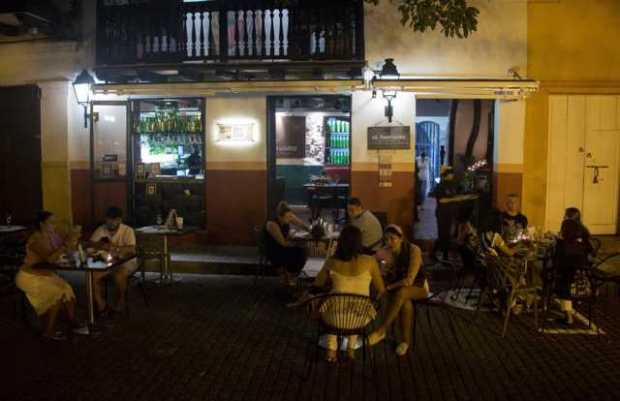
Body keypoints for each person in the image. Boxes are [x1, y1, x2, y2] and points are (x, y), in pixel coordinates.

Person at [312, 225, 385, 362]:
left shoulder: (331, 262)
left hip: (334, 319)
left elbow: (316, 285)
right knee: (357, 306)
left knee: (331, 305)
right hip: (360, 319)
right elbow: (381, 290)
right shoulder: (370, 261)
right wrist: (373, 303)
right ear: (359, 242)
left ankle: (331, 351)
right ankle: (351, 349)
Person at [15, 211, 88, 340]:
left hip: (45, 274)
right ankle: (48, 331)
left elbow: (62, 252)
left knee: (67, 289)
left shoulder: (49, 236)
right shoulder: (35, 239)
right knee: (58, 293)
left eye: (55, 222)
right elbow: (49, 259)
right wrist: (65, 244)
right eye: (51, 223)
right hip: (29, 276)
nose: (54, 225)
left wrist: (72, 240)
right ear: (42, 224)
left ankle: (72, 322)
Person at [368, 224, 429, 356]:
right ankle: (405, 342)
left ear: (401, 238)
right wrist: (380, 269)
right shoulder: (386, 251)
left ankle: (382, 330)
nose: (389, 242)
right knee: (405, 302)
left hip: (419, 287)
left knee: (402, 293)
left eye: (392, 238)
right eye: (386, 239)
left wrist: (388, 287)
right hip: (399, 289)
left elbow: (409, 280)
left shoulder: (414, 250)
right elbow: (371, 262)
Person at [90, 207, 137, 316]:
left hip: (126, 262)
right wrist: (101, 245)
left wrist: (116, 249)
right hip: (107, 263)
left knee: (119, 275)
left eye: (113, 220)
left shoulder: (127, 230)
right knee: (92, 276)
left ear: (120, 220)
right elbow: (91, 243)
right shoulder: (101, 229)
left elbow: (131, 249)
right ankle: (101, 304)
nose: (110, 223)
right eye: (108, 220)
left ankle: (121, 300)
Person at [554, 219, 593, 325]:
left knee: (559, 281)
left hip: (570, 285)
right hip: (584, 282)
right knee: (563, 279)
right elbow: (590, 255)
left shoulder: (562, 244)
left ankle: (568, 316)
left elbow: (557, 262)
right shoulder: (582, 244)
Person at [264, 201, 310, 286]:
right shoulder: (272, 224)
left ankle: (291, 276)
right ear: (280, 216)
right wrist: (297, 244)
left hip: (282, 246)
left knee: (303, 250)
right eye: (288, 217)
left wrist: (310, 230)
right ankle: (289, 277)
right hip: (273, 249)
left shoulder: (286, 217)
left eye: (290, 216)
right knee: (300, 252)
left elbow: (300, 223)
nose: (290, 219)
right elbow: (283, 243)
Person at [431, 166, 457, 261]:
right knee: (442, 234)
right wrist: (454, 199)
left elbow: (453, 196)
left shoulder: (452, 185)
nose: (453, 175)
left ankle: (444, 256)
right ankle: (435, 253)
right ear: (447, 175)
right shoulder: (440, 186)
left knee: (446, 235)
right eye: (451, 173)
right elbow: (441, 200)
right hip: (442, 213)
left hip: (449, 213)